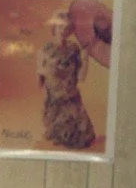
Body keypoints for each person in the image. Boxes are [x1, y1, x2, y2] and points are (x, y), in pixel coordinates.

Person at [36, 9, 97, 150]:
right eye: (60, 26)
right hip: (54, 102)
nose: (63, 30)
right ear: (54, 27)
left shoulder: (74, 49)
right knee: (57, 138)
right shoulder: (45, 50)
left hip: (72, 102)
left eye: (66, 27)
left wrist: (85, 59)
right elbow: (40, 81)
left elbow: (81, 78)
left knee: (83, 139)